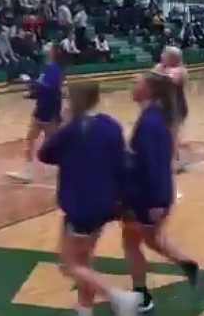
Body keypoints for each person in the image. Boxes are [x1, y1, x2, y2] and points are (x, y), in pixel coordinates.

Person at [37, 82, 142, 316]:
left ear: (74, 100)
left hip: (81, 203)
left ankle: (117, 297)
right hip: (106, 202)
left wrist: (63, 126)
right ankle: (85, 308)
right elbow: (122, 164)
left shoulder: (73, 127)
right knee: (84, 259)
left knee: (69, 264)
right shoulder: (111, 124)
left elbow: (44, 153)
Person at [120, 72, 204, 313]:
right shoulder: (153, 118)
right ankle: (188, 264)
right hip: (149, 193)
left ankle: (142, 296)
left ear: (149, 90)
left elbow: (156, 164)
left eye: (136, 82)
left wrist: (157, 201)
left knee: (131, 243)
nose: (132, 84)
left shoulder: (151, 122)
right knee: (150, 239)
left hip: (146, 196)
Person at [7, 43, 64, 183]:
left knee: (48, 141)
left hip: (49, 110)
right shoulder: (47, 67)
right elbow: (41, 88)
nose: (46, 45)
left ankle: (58, 167)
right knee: (32, 139)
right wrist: (31, 85)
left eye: (49, 45)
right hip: (43, 108)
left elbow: (49, 89)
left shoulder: (53, 69)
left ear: (52, 51)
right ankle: (28, 171)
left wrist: (30, 82)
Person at [153, 46, 189, 171]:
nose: (162, 56)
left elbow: (172, 80)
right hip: (161, 105)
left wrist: (159, 74)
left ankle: (174, 163)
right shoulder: (159, 67)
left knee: (172, 134)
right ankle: (167, 157)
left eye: (165, 54)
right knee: (164, 134)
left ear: (172, 58)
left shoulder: (181, 70)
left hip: (176, 106)